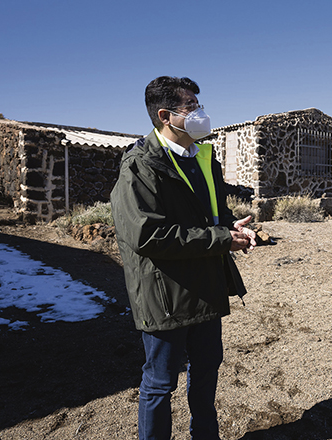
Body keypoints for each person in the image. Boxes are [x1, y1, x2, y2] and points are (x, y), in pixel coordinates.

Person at [110, 76, 256, 440]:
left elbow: (210, 217)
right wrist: (220, 238)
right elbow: (147, 234)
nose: (201, 114)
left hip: (205, 285)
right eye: (191, 108)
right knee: (160, 383)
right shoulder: (139, 167)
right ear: (165, 116)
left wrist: (230, 227)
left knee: (207, 370)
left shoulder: (204, 158)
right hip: (165, 293)